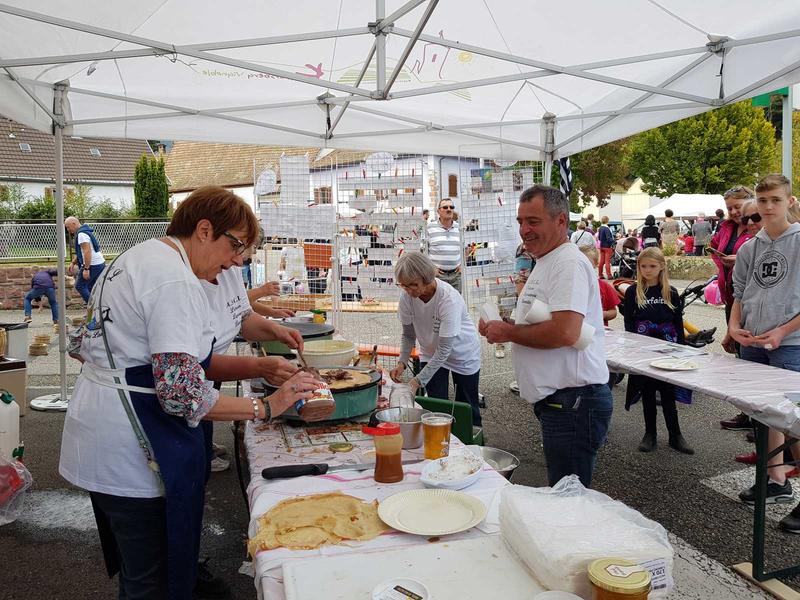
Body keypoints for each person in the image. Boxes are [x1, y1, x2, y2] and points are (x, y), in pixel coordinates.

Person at [59, 186, 320, 599]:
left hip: (103, 426)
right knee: (150, 581)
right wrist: (267, 405)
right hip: (131, 443)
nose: (236, 260)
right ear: (203, 229)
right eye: (234, 246)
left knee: (145, 567)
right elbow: (181, 392)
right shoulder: (173, 281)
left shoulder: (139, 256)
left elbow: (81, 344)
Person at [479, 185, 611, 488]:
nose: (524, 229)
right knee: (563, 492)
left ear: (561, 221)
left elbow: (565, 331)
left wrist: (508, 331)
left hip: (573, 402)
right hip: (564, 401)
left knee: (568, 499)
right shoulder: (548, 260)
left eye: (533, 221)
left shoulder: (568, 262)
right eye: (520, 221)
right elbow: (551, 321)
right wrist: (506, 322)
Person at [727, 175, 800, 520]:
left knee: (794, 421)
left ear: (789, 201)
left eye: (775, 200)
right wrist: (733, 326)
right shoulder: (748, 248)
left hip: (790, 344)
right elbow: (740, 292)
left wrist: (782, 331)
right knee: (763, 415)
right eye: (763, 200)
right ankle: (776, 479)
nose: (768, 207)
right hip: (754, 341)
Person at [389, 252, 482, 426]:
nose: (409, 291)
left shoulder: (448, 299)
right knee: (436, 408)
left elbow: (445, 350)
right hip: (431, 353)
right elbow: (408, 334)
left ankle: (473, 444)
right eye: (404, 286)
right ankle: (441, 445)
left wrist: (417, 381)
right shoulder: (407, 297)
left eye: (413, 285)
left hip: (462, 353)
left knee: (467, 408)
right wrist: (402, 362)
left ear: (427, 278)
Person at [623, 248, 694, 455]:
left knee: (668, 392)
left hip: (667, 348)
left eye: (652, 266)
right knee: (647, 392)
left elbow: (677, 321)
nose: (647, 270)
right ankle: (650, 434)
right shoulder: (632, 291)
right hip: (643, 347)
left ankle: (675, 435)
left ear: (662, 266)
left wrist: (681, 348)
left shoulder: (670, 292)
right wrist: (632, 348)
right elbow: (629, 322)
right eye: (643, 266)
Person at [508, 243, 535, 393]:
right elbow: (520, 280)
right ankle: (526, 382)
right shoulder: (526, 248)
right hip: (533, 306)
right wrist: (528, 305)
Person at [65, 216, 106, 303]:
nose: (68, 229)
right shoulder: (85, 231)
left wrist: (86, 269)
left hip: (92, 264)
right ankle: (95, 312)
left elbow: (87, 251)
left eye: (68, 227)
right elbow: (82, 252)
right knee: (92, 287)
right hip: (99, 263)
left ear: (74, 224)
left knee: (80, 286)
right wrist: (73, 263)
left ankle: (94, 309)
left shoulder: (81, 234)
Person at [426, 198, 463, 293]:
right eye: (445, 207)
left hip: (456, 276)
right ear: (438, 211)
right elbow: (423, 251)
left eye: (451, 207)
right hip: (437, 276)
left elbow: (465, 248)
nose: (449, 209)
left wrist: (462, 264)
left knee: (455, 304)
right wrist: (431, 269)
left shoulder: (459, 228)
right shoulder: (430, 228)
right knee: (437, 304)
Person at [579, 246, 619, 326]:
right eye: (580, 263)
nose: (584, 267)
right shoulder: (572, 285)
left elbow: (613, 312)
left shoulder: (604, 286)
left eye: (588, 263)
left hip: (599, 330)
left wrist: (603, 314)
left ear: (596, 264)